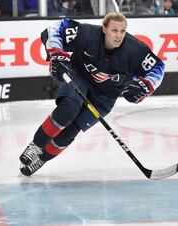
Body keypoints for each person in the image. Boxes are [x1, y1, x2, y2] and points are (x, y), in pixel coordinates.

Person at [19, 12, 165, 176]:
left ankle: (42, 158)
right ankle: (36, 145)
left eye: (122, 31)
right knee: (69, 109)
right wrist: (57, 54)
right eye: (114, 30)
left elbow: (157, 68)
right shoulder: (89, 34)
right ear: (104, 29)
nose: (119, 36)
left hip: (106, 95)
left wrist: (145, 86)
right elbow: (56, 29)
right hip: (80, 76)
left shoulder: (134, 49)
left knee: (73, 129)